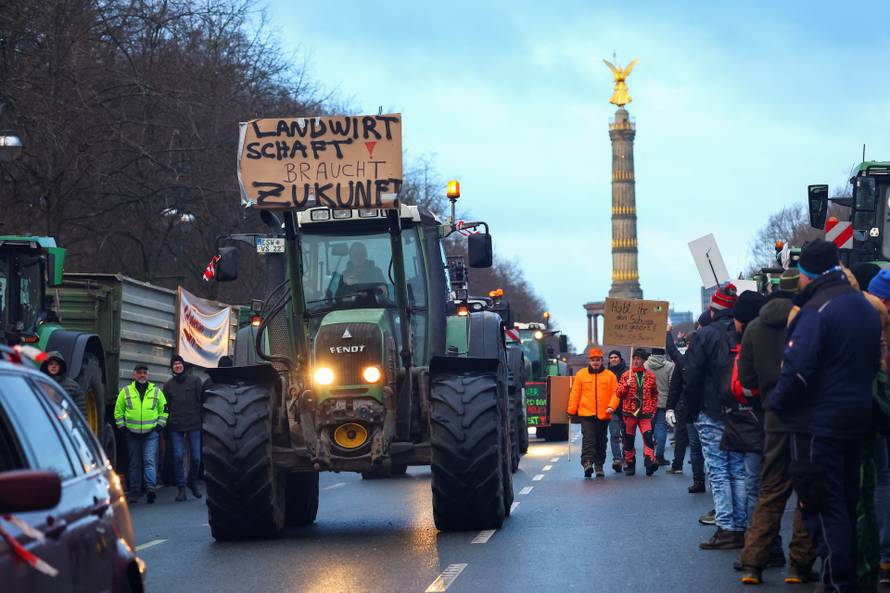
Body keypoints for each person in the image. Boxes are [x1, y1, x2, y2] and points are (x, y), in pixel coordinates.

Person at [769, 240, 880, 593]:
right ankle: (854, 579)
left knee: (821, 507)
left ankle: (838, 582)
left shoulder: (817, 309)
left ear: (808, 273)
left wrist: (776, 402)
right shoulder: (862, 307)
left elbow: (799, 371)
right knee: (847, 504)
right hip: (857, 419)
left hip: (816, 425)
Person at [737, 269, 816, 585]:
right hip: (807, 416)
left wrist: (765, 403)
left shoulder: (754, 327)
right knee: (807, 492)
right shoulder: (809, 320)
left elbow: (745, 380)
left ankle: (753, 564)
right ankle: (799, 565)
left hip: (773, 417)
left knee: (770, 490)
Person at [685, 282, 747, 550]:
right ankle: (741, 525)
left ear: (713, 310)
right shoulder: (743, 332)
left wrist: (690, 410)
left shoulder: (705, 335)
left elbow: (693, 376)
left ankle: (726, 528)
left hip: (710, 411)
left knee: (719, 471)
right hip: (740, 409)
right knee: (738, 470)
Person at [114, 364, 168, 504]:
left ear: (148, 375)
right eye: (139, 373)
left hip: (151, 434)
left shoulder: (156, 391)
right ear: (134, 375)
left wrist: (159, 427)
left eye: (144, 373)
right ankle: (135, 492)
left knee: (149, 461)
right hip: (132, 434)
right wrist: (122, 428)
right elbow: (118, 411)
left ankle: (150, 490)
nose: (142, 375)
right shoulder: (125, 392)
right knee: (134, 463)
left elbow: (164, 409)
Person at [567, 347, 619, 478]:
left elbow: (616, 393)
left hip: (604, 414)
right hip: (586, 414)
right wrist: (571, 410)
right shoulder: (581, 375)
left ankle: (599, 465)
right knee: (589, 439)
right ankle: (587, 463)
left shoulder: (610, 376)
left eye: (598, 360)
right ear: (589, 361)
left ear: (602, 361)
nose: (595, 362)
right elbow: (575, 393)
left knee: (601, 441)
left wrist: (612, 407)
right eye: (593, 360)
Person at [163, 355, 205, 502]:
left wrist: (202, 420)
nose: (177, 366)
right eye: (175, 364)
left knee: (196, 458)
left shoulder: (195, 381)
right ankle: (181, 489)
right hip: (175, 426)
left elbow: (202, 402)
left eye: (179, 363)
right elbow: (165, 407)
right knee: (178, 457)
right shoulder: (168, 385)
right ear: (172, 367)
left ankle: (192, 481)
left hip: (194, 425)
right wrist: (166, 423)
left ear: (184, 365)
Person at [616, 348, 660, 476]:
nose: (636, 361)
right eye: (634, 359)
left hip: (645, 414)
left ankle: (649, 462)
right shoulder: (626, 375)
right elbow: (618, 393)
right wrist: (626, 385)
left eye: (638, 359)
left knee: (648, 437)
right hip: (629, 414)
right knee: (628, 440)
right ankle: (630, 463)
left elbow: (654, 395)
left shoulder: (651, 376)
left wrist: (652, 409)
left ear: (644, 361)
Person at [645, 347, 674, 466]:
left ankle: (649, 456)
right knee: (661, 429)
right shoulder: (669, 366)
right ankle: (660, 456)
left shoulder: (646, 365)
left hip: (648, 402)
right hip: (663, 401)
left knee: (648, 430)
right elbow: (672, 384)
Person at [39, 351, 86, 418]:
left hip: (65, 425)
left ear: (61, 366)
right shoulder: (39, 384)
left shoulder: (73, 387)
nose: (53, 366)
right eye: (51, 364)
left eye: (57, 364)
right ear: (46, 366)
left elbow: (81, 414)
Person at [607, 350, 628, 472]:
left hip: (626, 408)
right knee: (614, 435)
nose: (613, 359)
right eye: (611, 357)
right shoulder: (606, 373)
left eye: (615, 357)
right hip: (612, 409)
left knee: (626, 435)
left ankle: (626, 458)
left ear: (620, 358)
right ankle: (617, 459)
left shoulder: (627, 372)